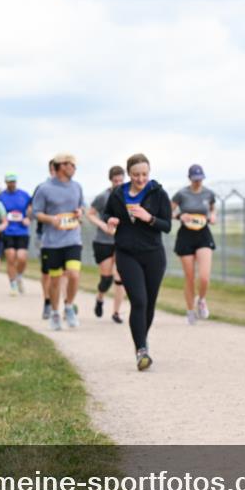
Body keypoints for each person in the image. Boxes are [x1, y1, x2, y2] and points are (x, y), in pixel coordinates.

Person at [104, 153, 172, 370]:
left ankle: (142, 340)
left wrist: (148, 217)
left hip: (153, 254)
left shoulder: (158, 193)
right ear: (129, 174)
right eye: (135, 175)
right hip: (126, 253)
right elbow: (107, 214)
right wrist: (111, 220)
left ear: (149, 172)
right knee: (139, 301)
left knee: (150, 303)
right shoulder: (118, 193)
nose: (140, 179)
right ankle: (141, 350)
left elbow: (167, 225)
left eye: (144, 174)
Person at [32, 153, 85, 330]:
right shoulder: (44, 189)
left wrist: (79, 212)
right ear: (62, 166)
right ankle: (55, 313)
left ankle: (68, 306)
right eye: (72, 165)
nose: (74, 168)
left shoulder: (77, 187)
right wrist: (50, 219)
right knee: (54, 280)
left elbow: (81, 207)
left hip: (72, 239)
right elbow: (36, 212)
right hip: (52, 242)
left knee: (74, 274)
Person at [171, 164, 217, 324]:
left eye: (200, 179)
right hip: (186, 236)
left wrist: (213, 216)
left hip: (203, 234)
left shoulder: (209, 193)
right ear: (189, 178)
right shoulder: (181, 194)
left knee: (204, 276)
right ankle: (190, 310)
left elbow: (212, 209)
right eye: (195, 179)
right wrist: (179, 216)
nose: (198, 182)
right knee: (189, 277)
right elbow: (169, 211)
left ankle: (201, 300)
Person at [87, 166, 127, 324]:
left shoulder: (128, 196)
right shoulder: (103, 197)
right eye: (115, 180)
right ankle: (100, 297)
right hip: (103, 241)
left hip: (121, 242)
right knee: (106, 279)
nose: (118, 183)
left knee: (120, 277)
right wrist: (102, 225)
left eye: (121, 180)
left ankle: (116, 312)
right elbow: (90, 214)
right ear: (110, 180)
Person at [0, 173, 32, 296]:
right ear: (6, 182)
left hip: (22, 230)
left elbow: (32, 208)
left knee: (22, 257)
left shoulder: (24, 195)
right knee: (11, 257)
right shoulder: (1, 197)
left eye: (13, 182)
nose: (12, 184)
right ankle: (13, 285)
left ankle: (19, 276)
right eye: (9, 182)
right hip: (8, 230)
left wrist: (29, 218)